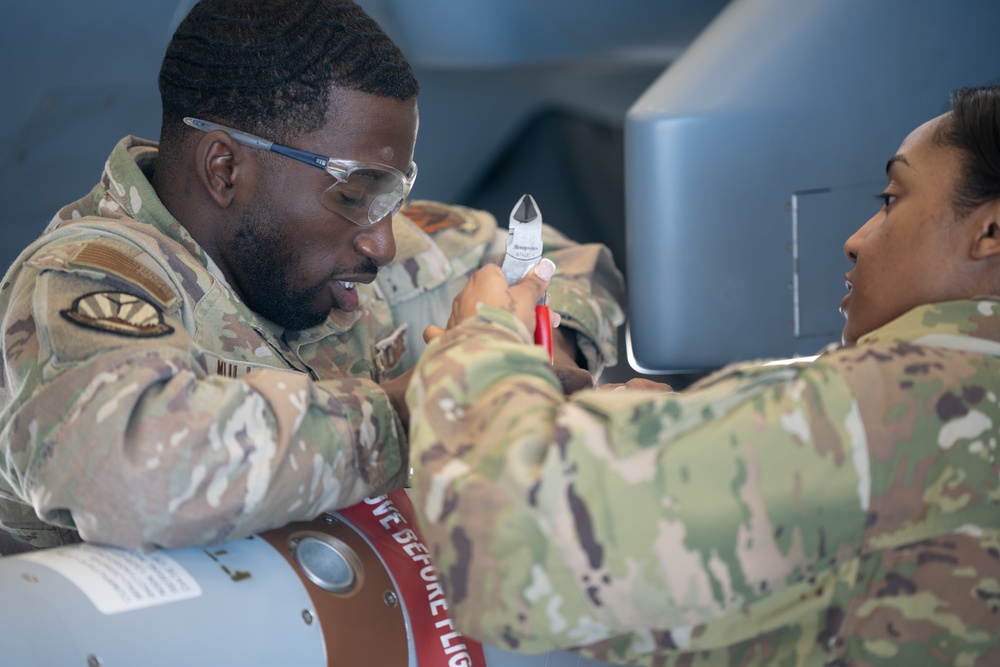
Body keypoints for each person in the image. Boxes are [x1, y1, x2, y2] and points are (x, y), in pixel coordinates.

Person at [0, 0, 625, 555]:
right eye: (355, 194)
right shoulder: (81, 283)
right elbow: (135, 475)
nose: (381, 242)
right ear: (224, 169)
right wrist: (417, 410)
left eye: (392, 196)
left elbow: (559, 261)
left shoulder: (343, 250)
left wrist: (549, 347)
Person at [406, 85, 1000, 666]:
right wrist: (642, 434)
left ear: (990, 232)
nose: (855, 240)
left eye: (891, 198)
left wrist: (482, 341)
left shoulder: (901, 401)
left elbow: (509, 548)